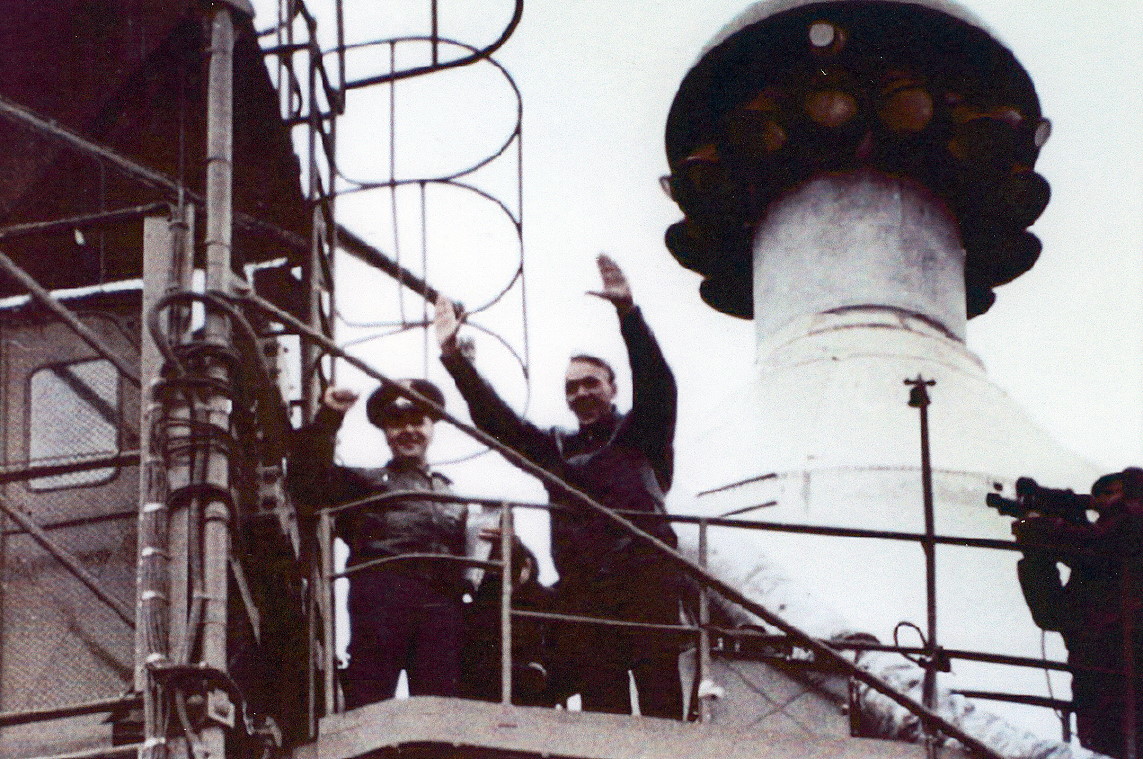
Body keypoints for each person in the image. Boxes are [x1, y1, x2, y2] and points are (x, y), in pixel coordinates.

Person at [435, 253, 686, 720]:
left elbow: (658, 385)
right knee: (601, 711)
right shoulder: (554, 450)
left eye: (591, 383)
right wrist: (454, 360)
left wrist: (628, 314)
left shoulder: (642, 433)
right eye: (571, 388)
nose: (580, 394)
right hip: (585, 593)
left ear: (612, 388)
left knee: (660, 705)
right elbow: (500, 425)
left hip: (646, 584)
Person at [288, 379, 468, 709]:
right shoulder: (365, 483)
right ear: (385, 431)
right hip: (382, 600)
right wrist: (330, 415)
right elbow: (307, 484)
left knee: (439, 712)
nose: (408, 431)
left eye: (418, 421)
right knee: (369, 705)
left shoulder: (452, 497)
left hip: (441, 608)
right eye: (397, 423)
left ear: (432, 426)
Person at [1014, 468, 1143, 757]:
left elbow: (1098, 546)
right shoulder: (1106, 544)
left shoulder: (1127, 528)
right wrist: (1038, 551)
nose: (1100, 502)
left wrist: (1039, 529)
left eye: (1111, 494)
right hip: (1099, 663)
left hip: (1113, 663)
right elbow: (1052, 613)